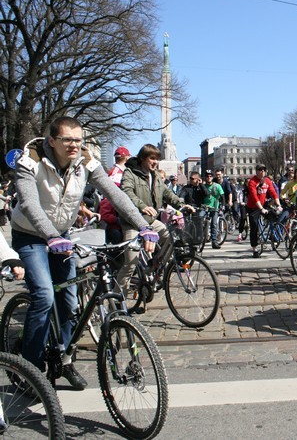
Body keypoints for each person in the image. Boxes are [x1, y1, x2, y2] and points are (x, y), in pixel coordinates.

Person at [11, 117, 158, 389]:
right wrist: (51, 235)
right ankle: (31, 371)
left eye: (78, 140)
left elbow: (115, 194)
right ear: (51, 141)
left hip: (62, 236)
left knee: (69, 302)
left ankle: (65, 359)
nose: (74, 146)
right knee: (44, 295)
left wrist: (142, 225)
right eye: (67, 140)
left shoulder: (86, 162)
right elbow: (30, 204)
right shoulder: (28, 161)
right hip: (31, 235)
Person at [116, 144, 190, 293]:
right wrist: (142, 206)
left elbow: (167, 193)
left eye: (157, 159)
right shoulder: (131, 173)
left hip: (150, 221)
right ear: (143, 158)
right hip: (133, 222)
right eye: (152, 158)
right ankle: (118, 299)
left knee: (170, 237)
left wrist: (182, 204)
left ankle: (154, 264)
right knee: (131, 262)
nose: (155, 162)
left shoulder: (155, 175)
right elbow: (126, 192)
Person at [246, 165, 281, 258]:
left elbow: (273, 193)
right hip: (253, 206)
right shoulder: (252, 182)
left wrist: (278, 205)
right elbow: (254, 197)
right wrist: (261, 209)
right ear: (256, 171)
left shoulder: (267, 181)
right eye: (260, 170)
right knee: (254, 225)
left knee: (275, 215)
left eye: (264, 170)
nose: (262, 171)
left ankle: (272, 235)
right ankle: (255, 248)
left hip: (263, 203)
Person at [202, 170, 224, 249]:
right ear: (205, 177)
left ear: (212, 177)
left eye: (210, 176)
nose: (209, 177)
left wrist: (222, 206)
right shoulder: (203, 186)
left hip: (214, 207)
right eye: (207, 176)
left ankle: (214, 241)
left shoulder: (217, 186)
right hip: (205, 207)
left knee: (214, 224)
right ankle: (201, 238)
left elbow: (222, 196)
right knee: (201, 222)